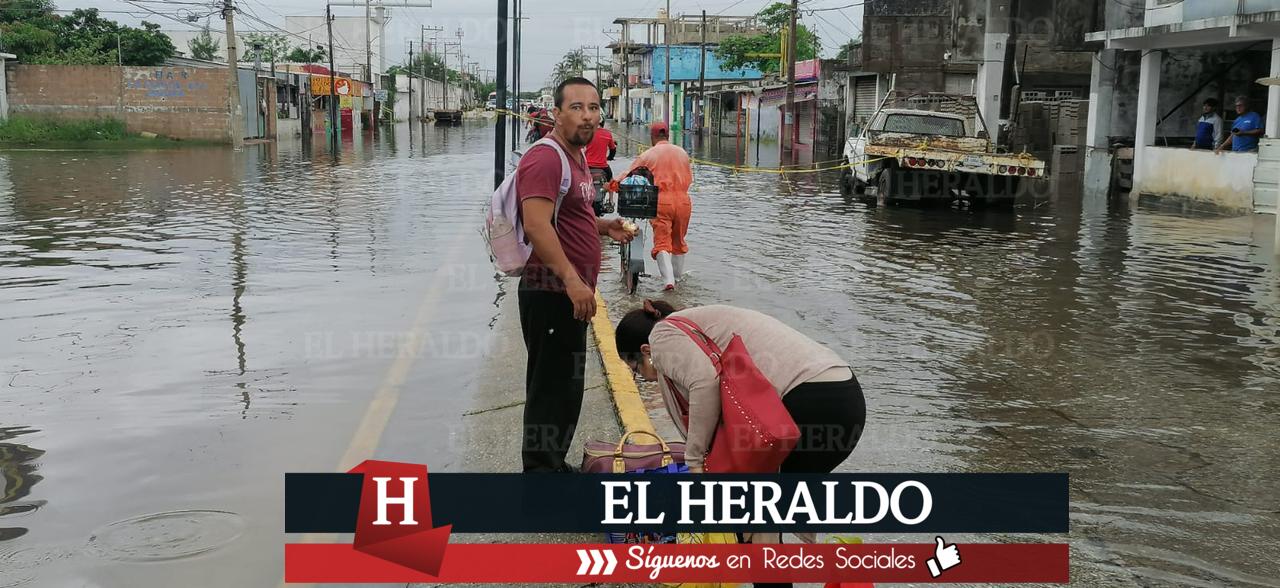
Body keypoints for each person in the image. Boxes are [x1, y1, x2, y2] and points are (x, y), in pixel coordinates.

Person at [516, 77, 636, 473]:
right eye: (576, 107)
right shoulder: (545, 158)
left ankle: (553, 466)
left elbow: (568, 217)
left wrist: (605, 227)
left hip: (569, 296)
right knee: (550, 391)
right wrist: (572, 280)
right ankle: (541, 478)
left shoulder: (577, 157)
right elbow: (536, 225)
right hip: (551, 292)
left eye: (594, 107)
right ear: (556, 113)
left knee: (566, 390)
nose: (588, 116)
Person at [614, 300, 866, 475]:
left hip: (808, 398)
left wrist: (694, 462)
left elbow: (704, 382)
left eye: (636, 369)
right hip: (845, 395)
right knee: (781, 509)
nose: (643, 378)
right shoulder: (697, 324)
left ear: (646, 352)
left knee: (762, 510)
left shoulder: (661, 336)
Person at [627, 122, 692, 290]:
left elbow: (629, 174)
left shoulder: (649, 154)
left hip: (661, 202)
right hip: (684, 202)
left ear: (652, 137)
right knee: (678, 241)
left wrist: (612, 185)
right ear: (668, 136)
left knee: (662, 243)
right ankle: (677, 279)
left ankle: (668, 281)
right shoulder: (682, 153)